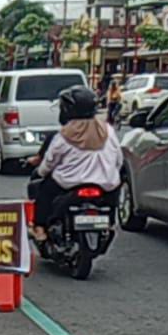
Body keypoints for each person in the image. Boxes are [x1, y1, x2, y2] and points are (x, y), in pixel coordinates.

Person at [30, 86, 122, 238]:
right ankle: (110, 223)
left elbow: (49, 162)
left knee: (44, 190)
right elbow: (118, 159)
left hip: (69, 183)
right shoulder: (108, 130)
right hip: (105, 184)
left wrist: (40, 172)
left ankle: (39, 228)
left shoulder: (64, 134)